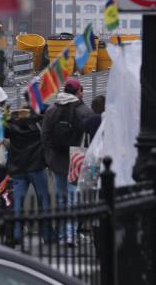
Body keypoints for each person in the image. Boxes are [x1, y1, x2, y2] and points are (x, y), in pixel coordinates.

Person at [40, 77, 94, 246]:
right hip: (76, 160)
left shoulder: (51, 110)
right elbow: (92, 136)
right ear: (78, 92)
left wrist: (49, 158)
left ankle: (64, 235)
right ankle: (69, 236)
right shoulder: (84, 110)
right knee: (73, 199)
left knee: (62, 199)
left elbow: (45, 136)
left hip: (56, 160)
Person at [5, 108, 54, 245]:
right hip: (37, 167)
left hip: (18, 168)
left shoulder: (12, 126)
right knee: (44, 202)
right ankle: (48, 235)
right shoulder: (39, 124)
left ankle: (16, 235)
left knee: (17, 204)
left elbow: (3, 132)